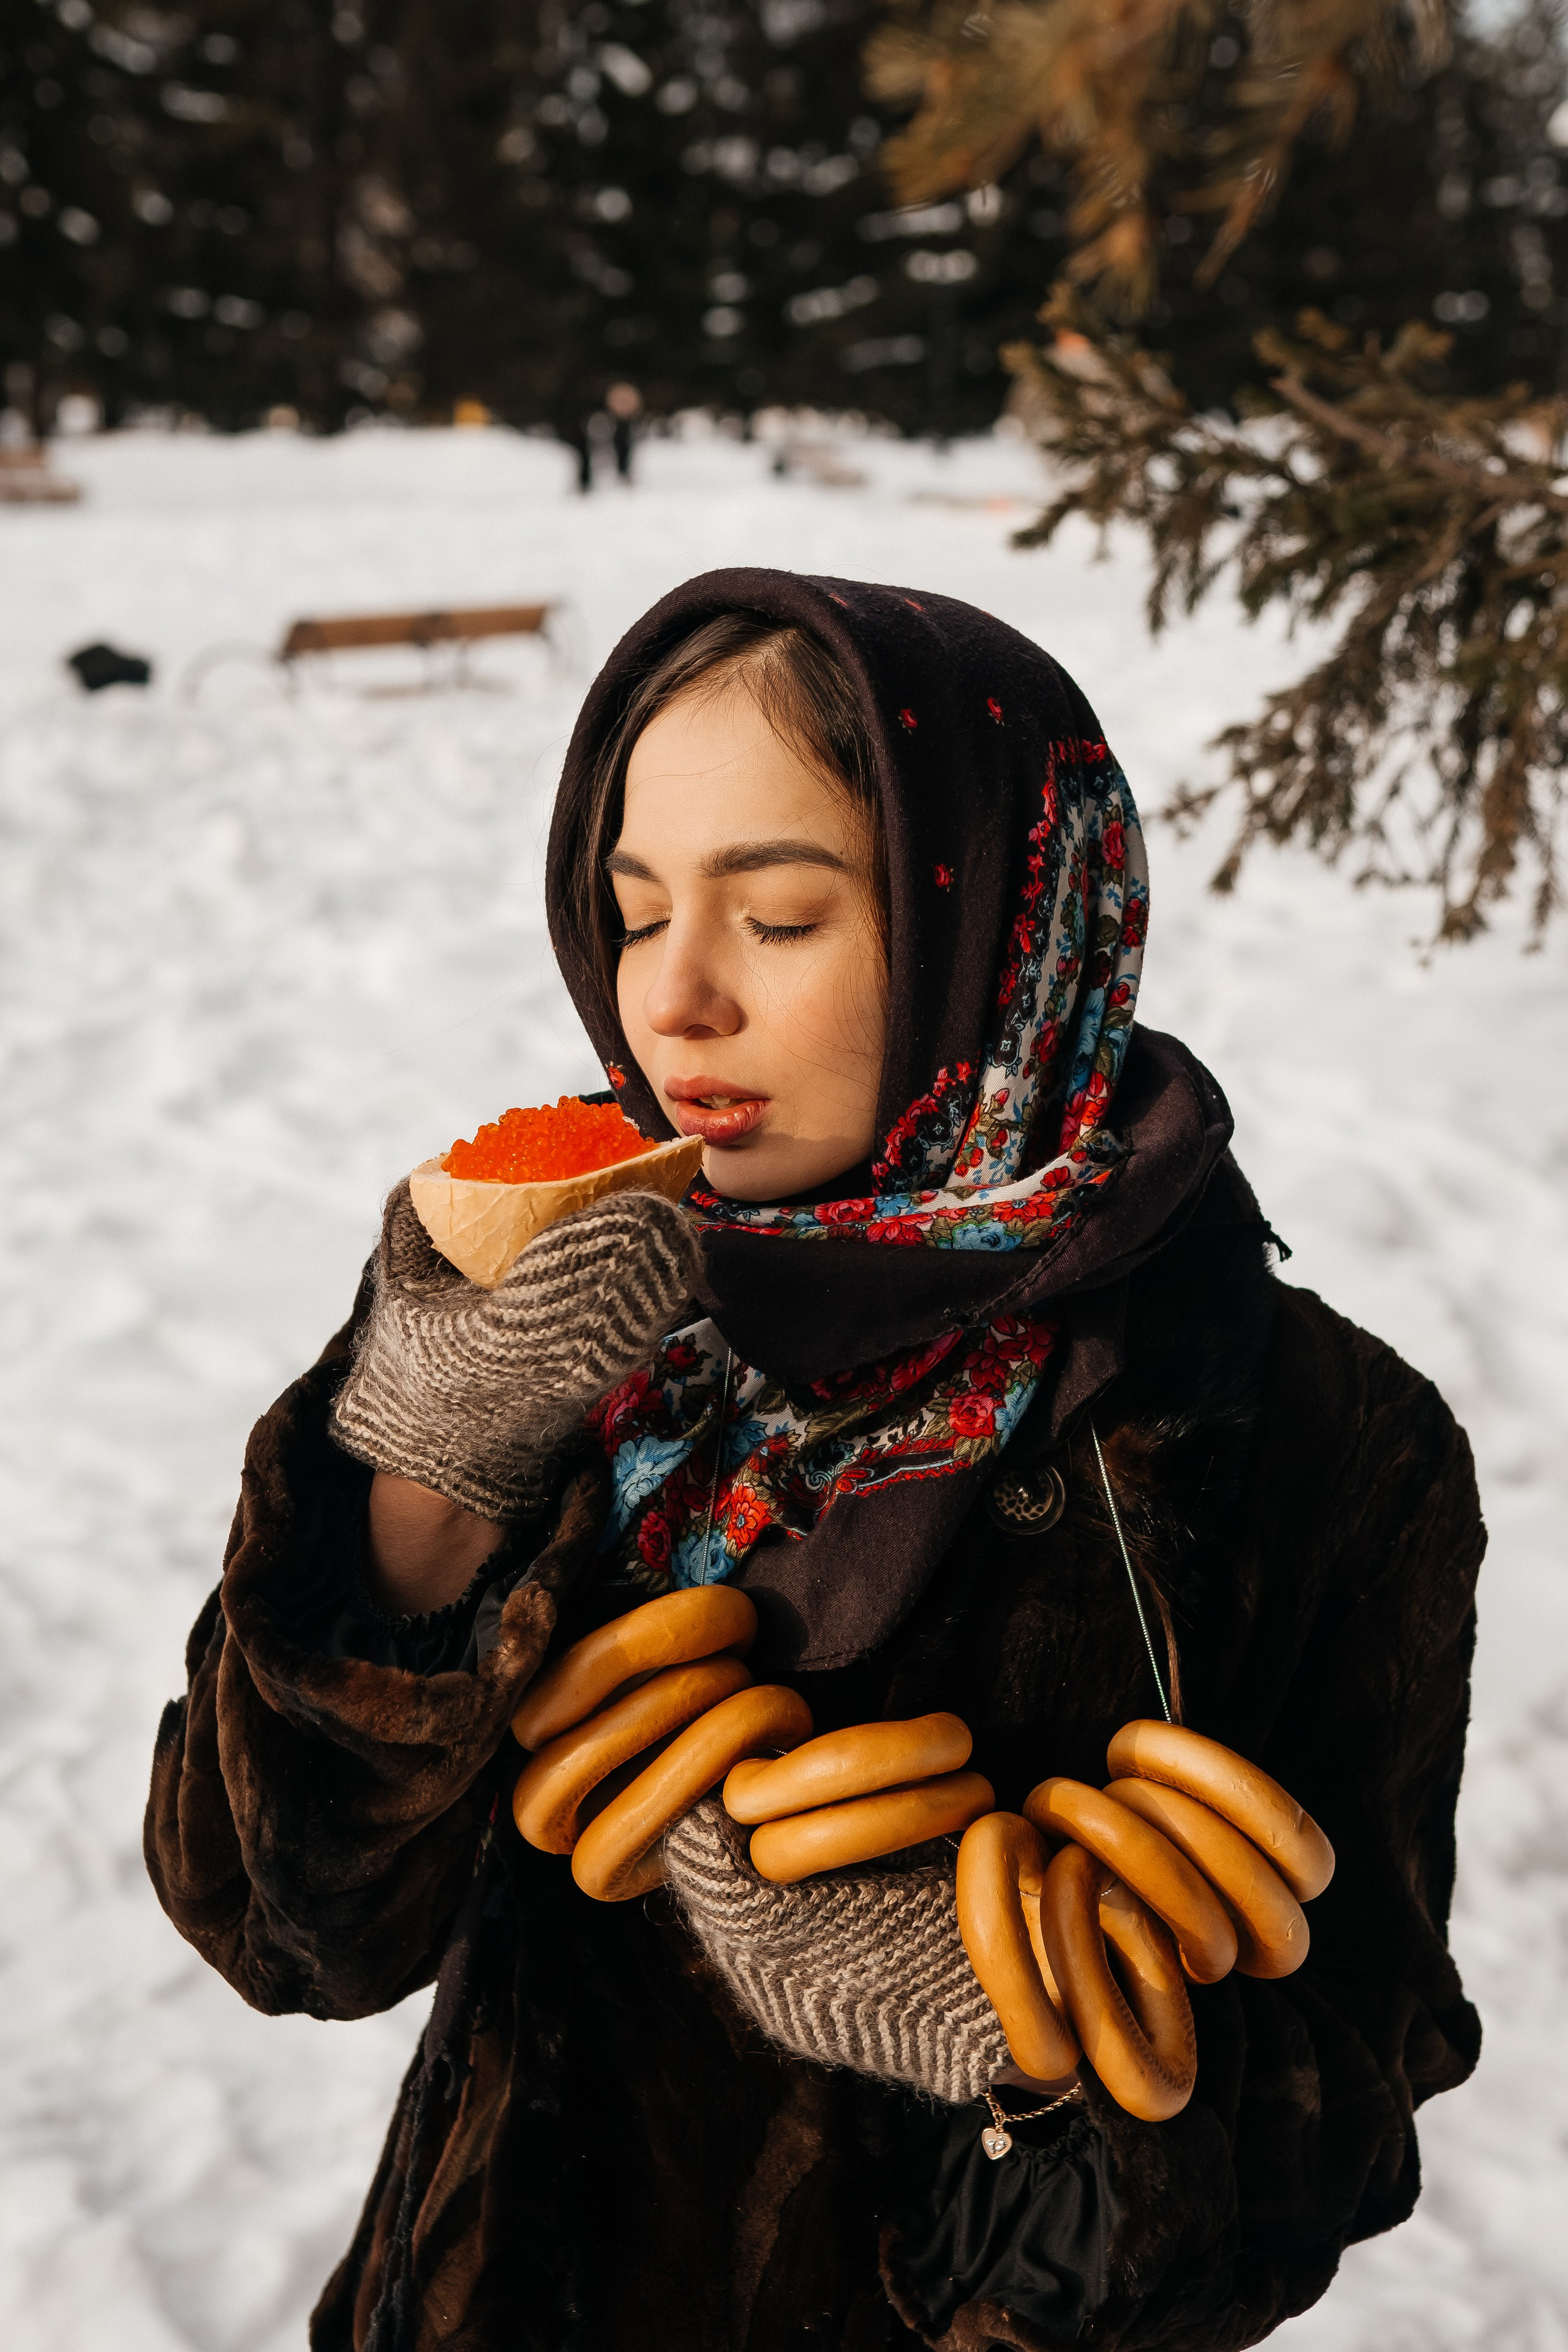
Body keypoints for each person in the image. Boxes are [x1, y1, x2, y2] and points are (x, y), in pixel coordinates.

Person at [145, 571, 1483, 2352]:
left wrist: (1010, 2025)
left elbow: (1342, 2107)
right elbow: (285, 1931)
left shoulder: (1313, 1442)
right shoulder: (545, 1305)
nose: (672, 1002)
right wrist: (424, 1489)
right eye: (632, 916)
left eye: (778, 919)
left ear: (1005, 922)